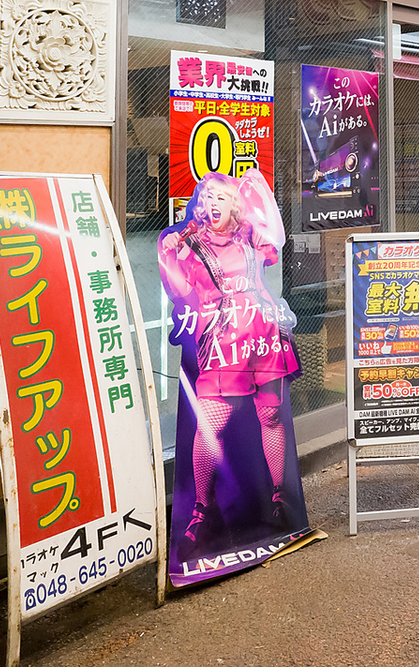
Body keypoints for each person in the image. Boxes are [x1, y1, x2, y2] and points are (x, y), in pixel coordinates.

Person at [159, 170, 305, 557]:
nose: (211, 205)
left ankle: (279, 498)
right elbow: (180, 291)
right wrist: (170, 252)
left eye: (219, 198)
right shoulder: (189, 242)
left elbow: (275, 241)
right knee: (210, 424)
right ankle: (202, 513)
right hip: (223, 340)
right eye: (205, 199)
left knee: (271, 416)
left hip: (261, 333)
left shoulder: (250, 234)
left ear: (234, 204)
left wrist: (257, 188)